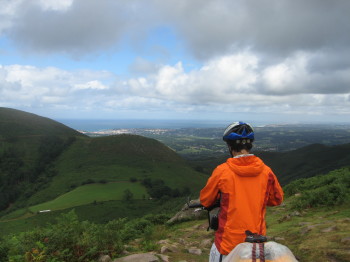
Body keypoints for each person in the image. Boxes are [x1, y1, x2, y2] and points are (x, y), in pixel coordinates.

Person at [200, 122, 284, 262]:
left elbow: (206, 200)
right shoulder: (266, 171)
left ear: (230, 146)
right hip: (256, 243)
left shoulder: (222, 171)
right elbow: (277, 199)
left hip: (228, 244)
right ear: (250, 145)